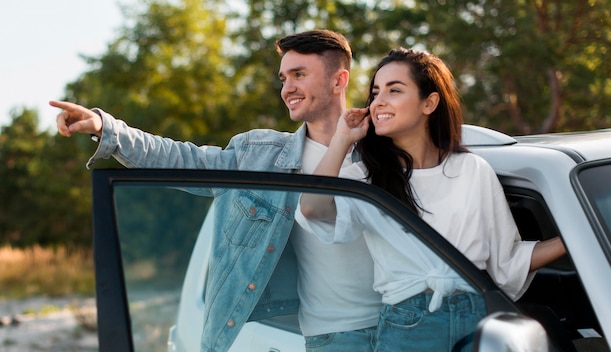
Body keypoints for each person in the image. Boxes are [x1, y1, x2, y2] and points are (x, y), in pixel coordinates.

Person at [51, 30, 382, 352]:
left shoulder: (387, 152)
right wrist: (106, 129)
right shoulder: (260, 156)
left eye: (299, 75)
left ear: (339, 80)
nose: (287, 89)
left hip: (400, 323)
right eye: (283, 78)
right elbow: (184, 158)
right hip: (329, 334)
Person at [296, 48, 567, 351]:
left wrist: (574, 238)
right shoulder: (365, 179)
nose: (378, 102)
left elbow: (508, 261)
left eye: (394, 90)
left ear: (430, 102)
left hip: (477, 318)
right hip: (409, 325)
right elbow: (312, 208)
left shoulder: (471, 169)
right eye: (375, 93)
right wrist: (342, 139)